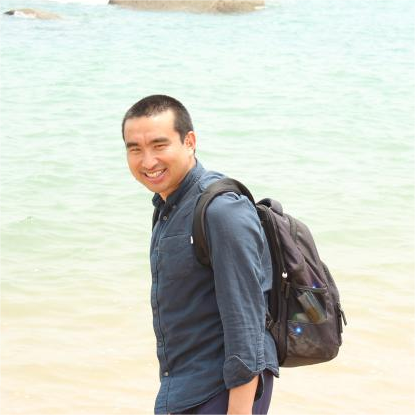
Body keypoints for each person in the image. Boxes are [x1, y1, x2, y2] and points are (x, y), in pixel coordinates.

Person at [122, 95, 278, 415]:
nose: (147, 161)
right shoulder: (168, 207)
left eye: (159, 145)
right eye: (135, 149)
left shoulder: (221, 210)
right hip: (185, 389)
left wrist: (239, 411)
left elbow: (246, 321)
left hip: (222, 391)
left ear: (189, 142)